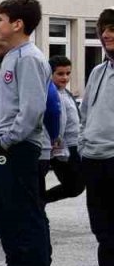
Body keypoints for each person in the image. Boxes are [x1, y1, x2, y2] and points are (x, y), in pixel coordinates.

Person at [0, 0, 54, 266]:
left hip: (18, 148)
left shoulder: (30, 58)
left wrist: (8, 140)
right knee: (5, 211)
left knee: (26, 212)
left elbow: (32, 109)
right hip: (3, 146)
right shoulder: (12, 56)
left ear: (18, 24)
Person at [72, 8, 114, 266]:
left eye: (112, 29)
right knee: (102, 227)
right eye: (103, 29)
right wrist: (84, 144)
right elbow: (85, 115)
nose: (107, 34)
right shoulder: (99, 71)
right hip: (94, 158)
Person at [43, 55, 85, 205]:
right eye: (60, 74)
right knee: (75, 186)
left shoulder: (65, 93)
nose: (65, 77)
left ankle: (39, 201)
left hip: (77, 145)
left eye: (68, 73)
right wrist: (58, 145)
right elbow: (56, 119)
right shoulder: (51, 93)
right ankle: (40, 201)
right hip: (63, 147)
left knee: (77, 185)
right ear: (50, 74)